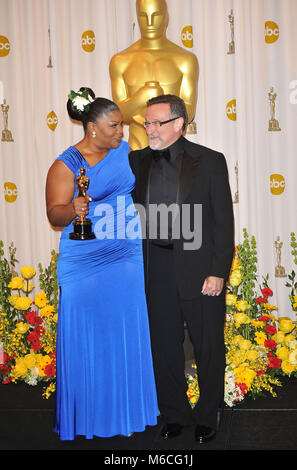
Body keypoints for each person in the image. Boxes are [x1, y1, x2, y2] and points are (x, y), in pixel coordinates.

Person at [46, 87, 159, 440]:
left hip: (125, 252)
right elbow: (54, 212)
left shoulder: (125, 152)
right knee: (88, 334)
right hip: (85, 257)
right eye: (114, 126)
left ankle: (129, 410)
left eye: (121, 126)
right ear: (92, 127)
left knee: (124, 328)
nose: (121, 132)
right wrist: (72, 209)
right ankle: (90, 416)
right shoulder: (65, 165)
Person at [129, 94, 234, 443]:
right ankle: (174, 413)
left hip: (200, 265)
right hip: (154, 265)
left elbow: (223, 222)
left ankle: (208, 414)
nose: (149, 128)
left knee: (207, 344)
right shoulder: (135, 161)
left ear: (179, 124)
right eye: (147, 122)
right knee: (164, 345)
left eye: (156, 122)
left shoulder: (209, 161)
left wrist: (218, 271)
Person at [109, 0, 198, 150]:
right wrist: (140, 99)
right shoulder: (120, 61)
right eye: (143, 15)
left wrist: (160, 108)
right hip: (137, 147)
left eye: (156, 15)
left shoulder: (185, 60)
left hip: (173, 149)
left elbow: (188, 111)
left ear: (166, 17)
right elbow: (118, 115)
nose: (149, 22)